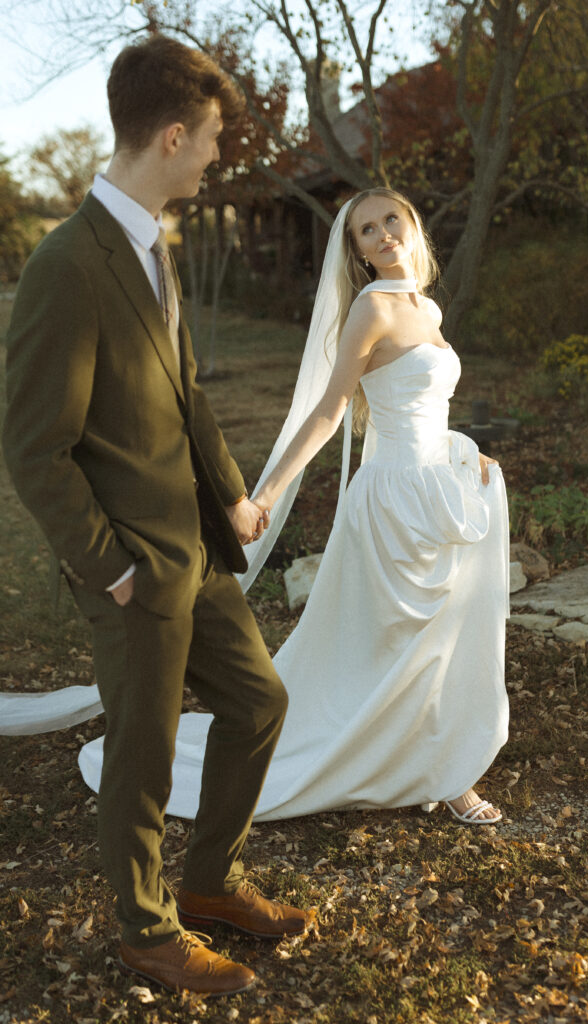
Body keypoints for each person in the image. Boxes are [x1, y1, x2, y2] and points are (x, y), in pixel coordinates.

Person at [2, 35, 312, 997]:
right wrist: (112, 568)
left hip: (197, 550)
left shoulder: (150, 244)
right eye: (212, 137)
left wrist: (229, 491)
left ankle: (210, 887)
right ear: (172, 135)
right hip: (134, 566)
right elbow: (32, 446)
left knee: (259, 702)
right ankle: (147, 931)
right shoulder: (67, 264)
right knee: (142, 752)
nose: (217, 156)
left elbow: (185, 395)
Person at [79, 186, 511, 825]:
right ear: (359, 252)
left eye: (392, 219)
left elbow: (420, 407)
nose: (385, 233)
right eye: (368, 230)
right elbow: (332, 411)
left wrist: (462, 449)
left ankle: (441, 769)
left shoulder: (426, 308)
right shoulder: (372, 310)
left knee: (439, 637)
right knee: (399, 639)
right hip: (392, 498)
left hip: (434, 486)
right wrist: (262, 497)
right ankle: (420, 769)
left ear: (413, 225)